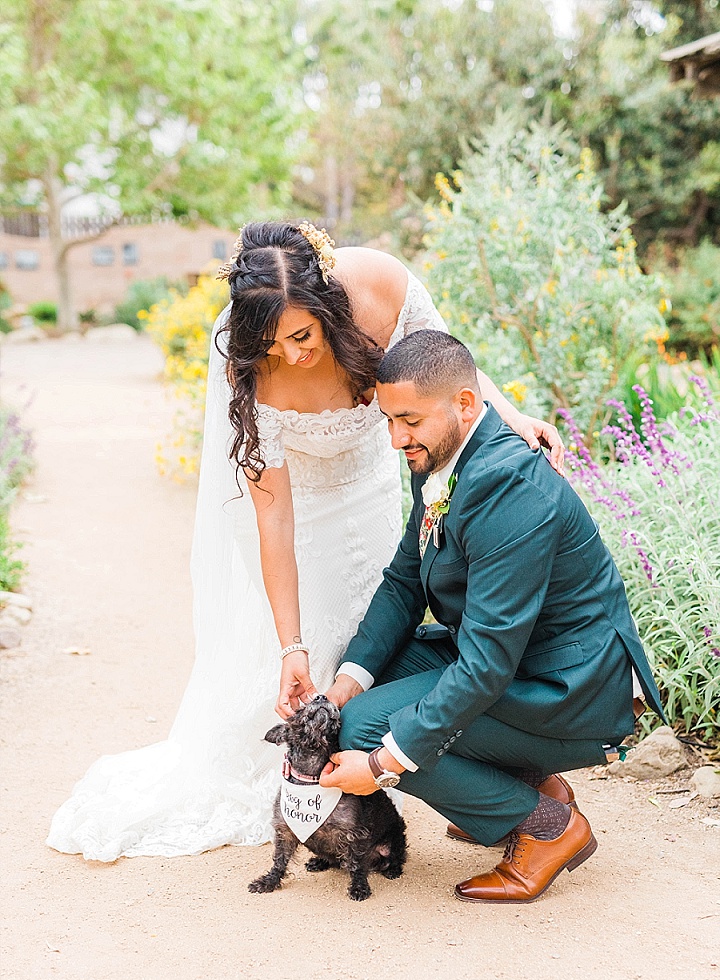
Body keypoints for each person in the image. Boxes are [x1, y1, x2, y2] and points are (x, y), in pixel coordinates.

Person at [47, 222, 565, 861]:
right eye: (271, 343)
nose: (290, 355)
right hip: (298, 512)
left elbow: (446, 368)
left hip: (371, 486)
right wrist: (290, 644)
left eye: (301, 335)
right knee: (323, 656)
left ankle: (475, 781)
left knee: (386, 645)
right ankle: (338, 800)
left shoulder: (380, 284)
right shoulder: (250, 374)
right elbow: (274, 521)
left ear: (328, 307)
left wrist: (509, 417)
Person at [321, 327, 664, 903]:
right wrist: (343, 685)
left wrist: (380, 767)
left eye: (409, 420)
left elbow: (484, 666)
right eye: (388, 420)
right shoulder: (440, 453)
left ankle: (546, 828)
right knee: (372, 680)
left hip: (568, 687)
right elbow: (406, 580)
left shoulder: (510, 487)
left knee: (369, 729)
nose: (395, 438)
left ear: (465, 403)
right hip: (515, 656)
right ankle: (527, 784)